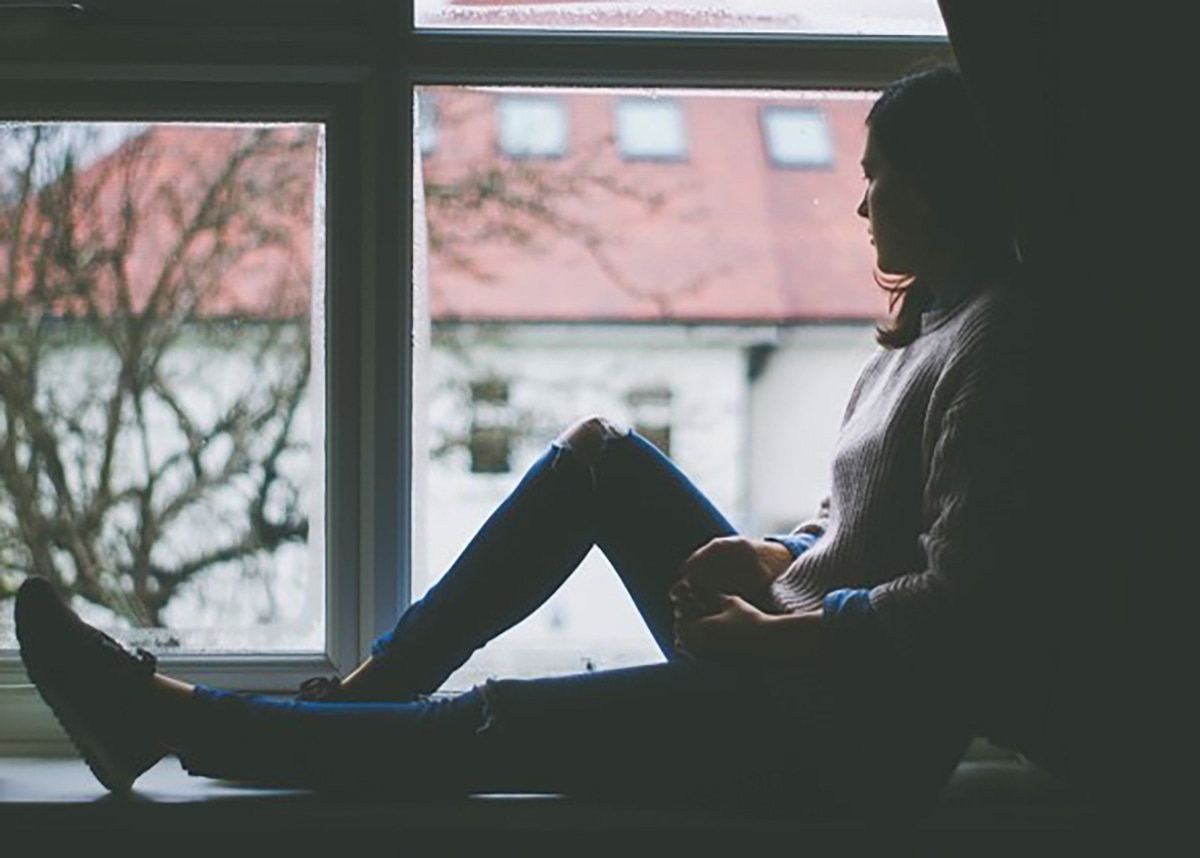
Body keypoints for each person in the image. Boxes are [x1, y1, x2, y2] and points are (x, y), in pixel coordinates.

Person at [15, 64, 1035, 817]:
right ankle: (371, 690)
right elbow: (862, 518)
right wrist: (771, 554)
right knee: (598, 455)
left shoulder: (995, 342)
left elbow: (966, 607)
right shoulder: (931, 324)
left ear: (939, 186)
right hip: (796, 668)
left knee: (500, 721)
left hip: (845, 743)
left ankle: (168, 717)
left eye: (879, 176)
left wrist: (769, 632)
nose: (861, 201)